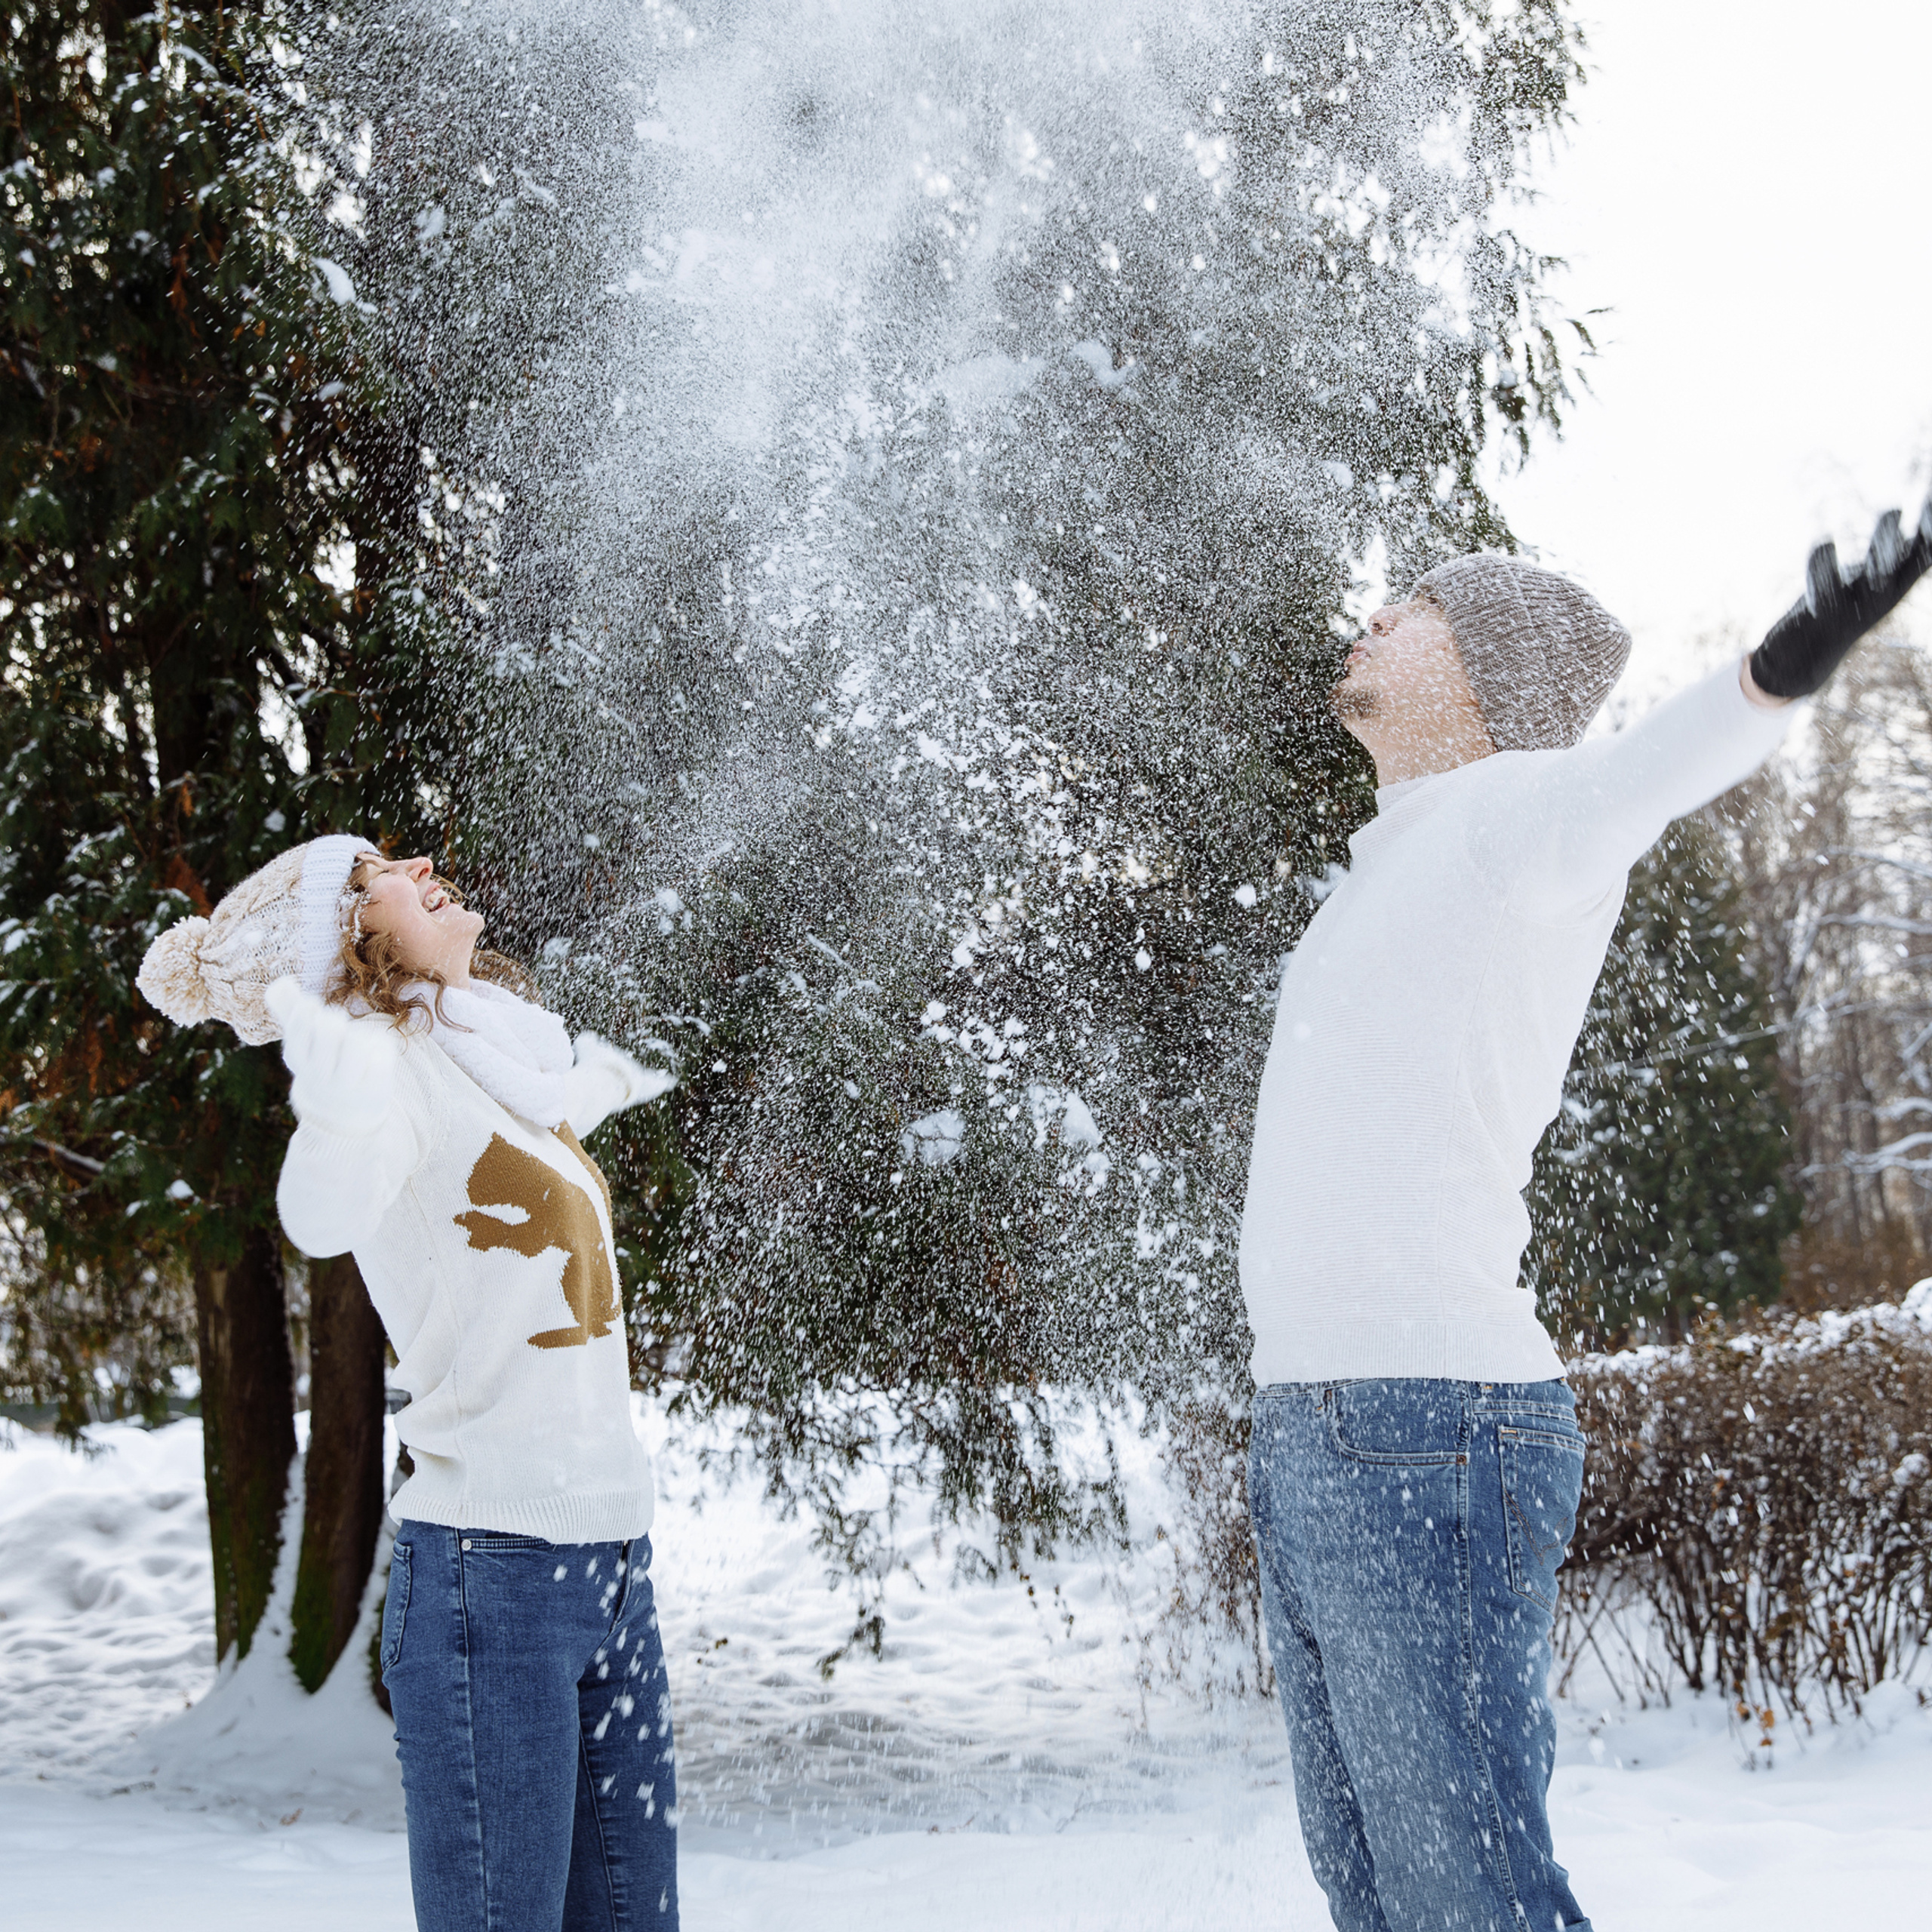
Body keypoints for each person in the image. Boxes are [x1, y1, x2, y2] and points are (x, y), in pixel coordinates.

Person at [1240, 498, 1932, 1932]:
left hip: (1426, 1428)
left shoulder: (1518, 820)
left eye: (1421, 607)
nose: (1377, 614)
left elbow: (1647, 774)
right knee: (1372, 1892)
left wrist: (1782, 665)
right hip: (1314, 1429)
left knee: (1467, 1898)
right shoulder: (1388, 865)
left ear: (1489, 681)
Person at [137, 838, 679, 1932]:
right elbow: (326, 1216)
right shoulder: (386, 1073)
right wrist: (333, 1119)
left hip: (613, 1568)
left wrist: (588, 1099)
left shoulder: (491, 1058)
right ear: (351, 936)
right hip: (494, 1583)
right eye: (374, 869)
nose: (421, 859)